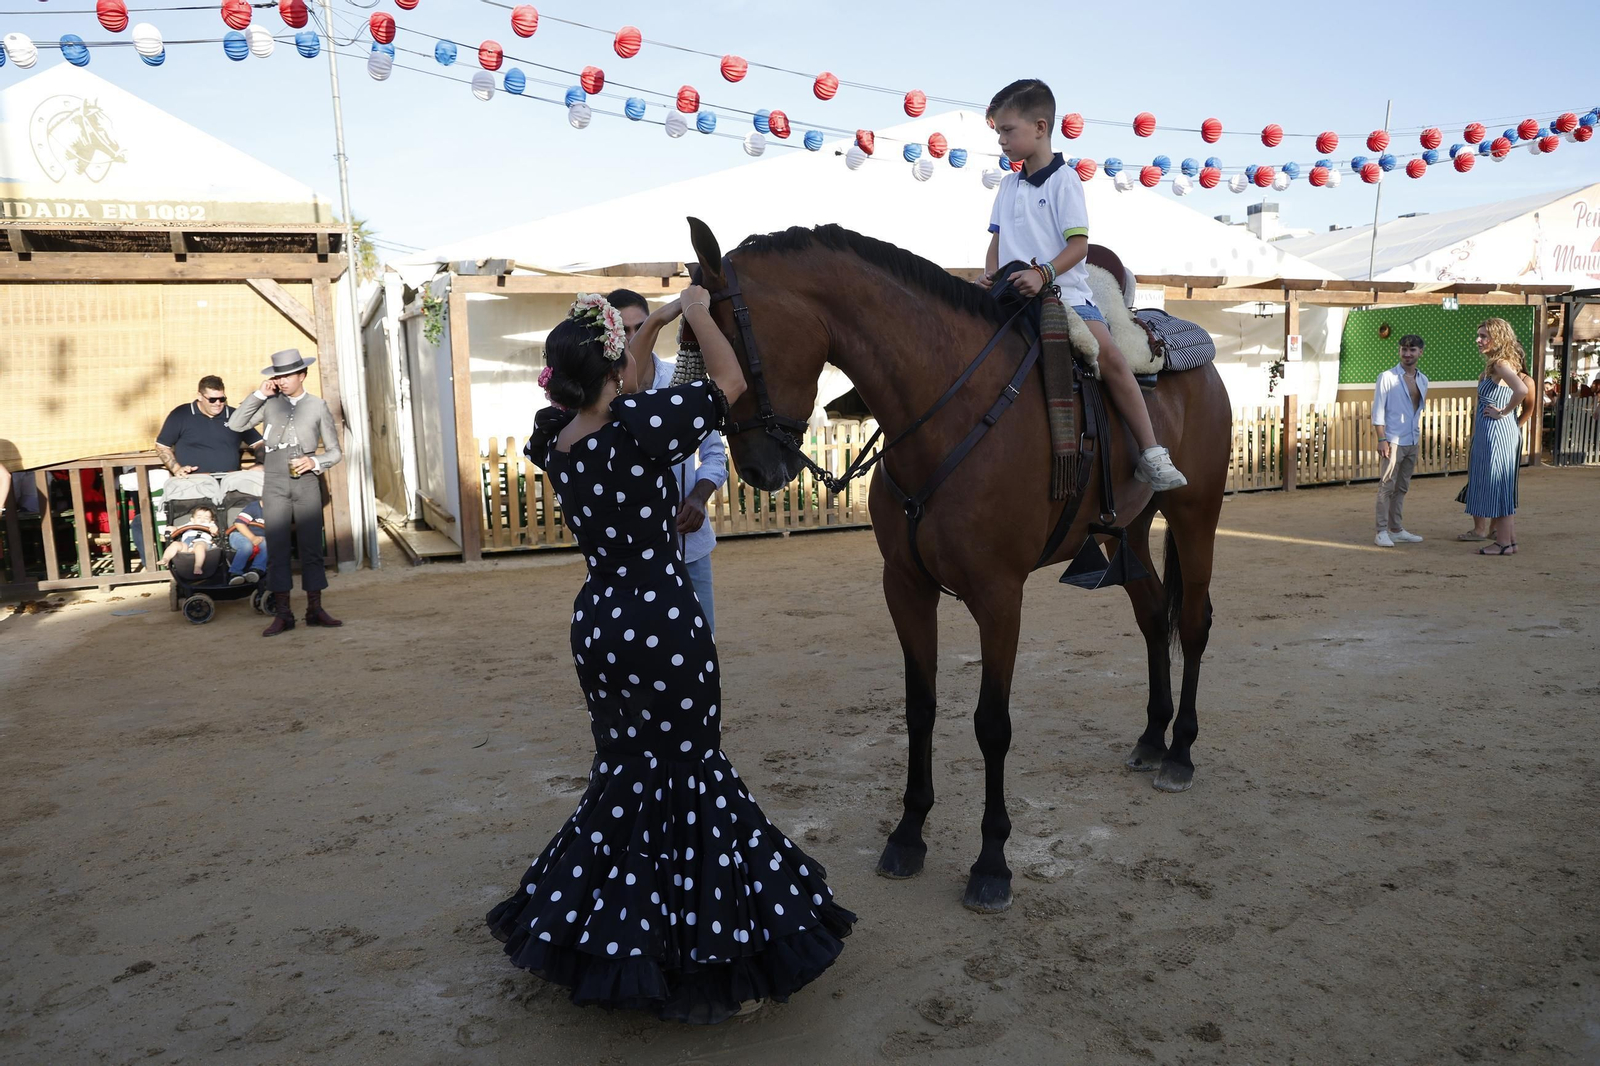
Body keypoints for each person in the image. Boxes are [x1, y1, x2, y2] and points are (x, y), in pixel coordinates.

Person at [487, 293, 855, 1023]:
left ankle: (606, 931)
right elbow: (728, 384)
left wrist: (648, 327)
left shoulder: (557, 435)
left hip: (600, 623)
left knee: (627, 772)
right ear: (614, 371)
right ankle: (713, 955)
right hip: (660, 618)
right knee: (691, 772)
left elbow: (623, 382)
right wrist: (698, 313)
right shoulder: (636, 426)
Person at [976, 78, 1187, 491]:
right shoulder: (1006, 185)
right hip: (1011, 296)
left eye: (1007, 130)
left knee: (1109, 356)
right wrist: (990, 274)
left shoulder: (1065, 180)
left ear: (1040, 127)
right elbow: (996, 243)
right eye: (998, 131)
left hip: (1066, 297)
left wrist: (1044, 274)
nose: (1000, 139)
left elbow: (1079, 246)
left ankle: (1151, 452)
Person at [607, 288, 729, 634]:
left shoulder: (683, 381)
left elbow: (715, 454)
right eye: (624, 331)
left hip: (690, 545)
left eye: (640, 326)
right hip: (632, 553)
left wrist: (698, 497)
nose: (633, 337)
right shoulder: (602, 397)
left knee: (702, 638)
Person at [227, 349, 344, 635]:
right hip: (276, 479)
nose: (282, 380)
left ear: (302, 375)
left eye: (287, 375)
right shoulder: (269, 403)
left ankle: (315, 609)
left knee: (311, 548)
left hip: (305, 480)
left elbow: (336, 452)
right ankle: (283, 614)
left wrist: (314, 461)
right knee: (277, 547)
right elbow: (235, 424)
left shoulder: (317, 406)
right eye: (278, 375)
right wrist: (259, 394)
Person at [1460, 319, 1530, 555]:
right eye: (1478, 335)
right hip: (1499, 432)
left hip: (1497, 433)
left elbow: (1522, 390)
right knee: (1503, 487)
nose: (1478, 340)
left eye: (1483, 336)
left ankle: (1502, 543)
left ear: (1498, 338)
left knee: (1498, 486)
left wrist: (1503, 411)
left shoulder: (1500, 364)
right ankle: (1509, 542)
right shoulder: (1500, 364)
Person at [1370, 335, 1429, 547]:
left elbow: (1416, 411)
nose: (1407, 354)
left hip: (1412, 439)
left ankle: (1396, 529)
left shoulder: (1423, 379)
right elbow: (1378, 410)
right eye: (1404, 349)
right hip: (1392, 440)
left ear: (1420, 352)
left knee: (1402, 488)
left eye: (1412, 350)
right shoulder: (1386, 377)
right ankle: (1381, 531)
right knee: (1387, 486)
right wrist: (1382, 438)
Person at [160, 505, 220, 579]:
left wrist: (214, 530)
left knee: (199, 546)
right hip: (186, 544)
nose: (202, 519)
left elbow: (216, 533)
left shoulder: (211, 525)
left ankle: (197, 566)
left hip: (202, 541)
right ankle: (165, 558)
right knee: (175, 544)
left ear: (211, 520)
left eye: (206, 518)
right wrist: (174, 528)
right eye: (199, 517)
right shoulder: (189, 524)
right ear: (192, 519)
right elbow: (178, 528)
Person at [226, 499, 267, 585]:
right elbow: (239, 523)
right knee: (247, 546)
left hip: (261, 538)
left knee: (267, 544)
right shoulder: (253, 507)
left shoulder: (276, 510)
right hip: (240, 534)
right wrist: (252, 538)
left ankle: (256, 570)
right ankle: (235, 573)